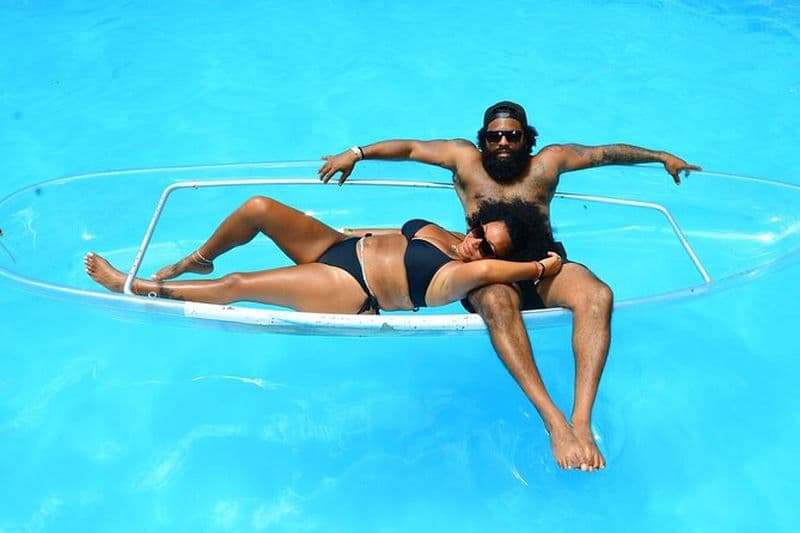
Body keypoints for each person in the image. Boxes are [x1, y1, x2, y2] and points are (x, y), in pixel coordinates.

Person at [318, 101, 702, 471]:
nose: (503, 143)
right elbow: (412, 148)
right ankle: (554, 421)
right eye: (494, 136)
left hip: (545, 267)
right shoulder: (464, 160)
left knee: (597, 294)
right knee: (498, 301)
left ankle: (581, 421)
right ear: (483, 139)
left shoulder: (548, 162)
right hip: (490, 273)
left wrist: (660, 155)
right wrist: (357, 152)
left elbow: (604, 153)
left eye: (512, 136)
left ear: (527, 139)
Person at [84, 195, 563, 316]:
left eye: (486, 246)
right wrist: (337, 232)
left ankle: (135, 285)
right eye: (479, 230)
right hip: (336, 246)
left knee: (241, 284)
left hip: (352, 289)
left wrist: (541, 267)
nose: (474, 241)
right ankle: (199, 257)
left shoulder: (460, 276)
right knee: (259, 209)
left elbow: (489, 269)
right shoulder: (446, 235)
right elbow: (389, 230)